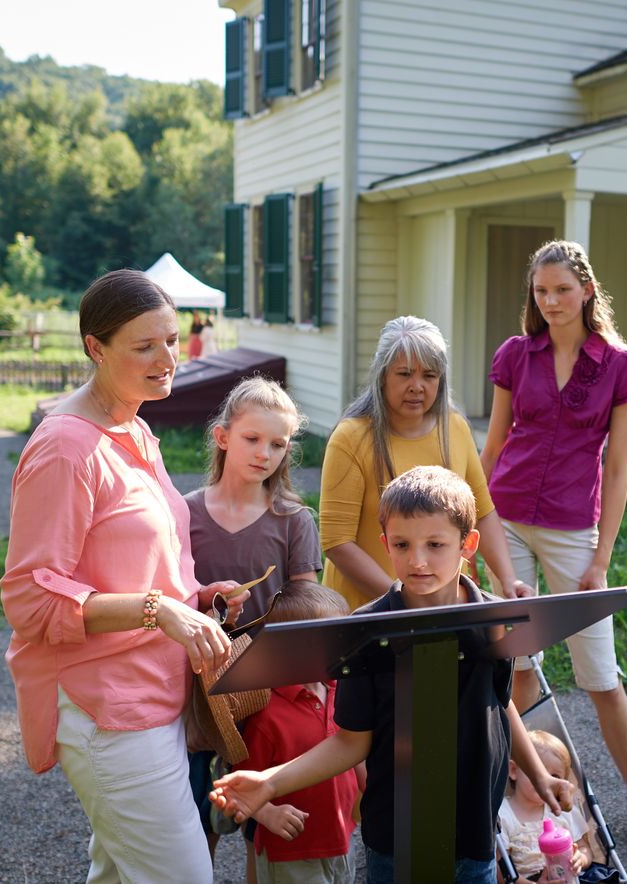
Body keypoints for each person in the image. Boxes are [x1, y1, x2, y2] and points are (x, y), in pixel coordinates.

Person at [0, 268, 248, 883]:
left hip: (155, 696)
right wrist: (157, 608)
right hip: (109, 712)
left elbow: (139, 555)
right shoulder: (65, 448)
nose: (167, 358)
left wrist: (197, 598)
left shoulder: (135, 428)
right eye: (144, 346)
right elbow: (31, 597)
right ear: (95, 348)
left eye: (170, 340)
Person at [211, 466, 573, 884]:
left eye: (435, 544)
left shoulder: (495, 619)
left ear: (467, 544)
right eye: (402, 544)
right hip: (397, 842)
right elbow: (350, 741)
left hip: (475, 834)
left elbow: (499, 701)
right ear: (385, 544)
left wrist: (538, 773)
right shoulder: (365, 633)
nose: (418, 560)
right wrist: (270, 782)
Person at [479, 240, 627, 869]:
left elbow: (619, 466)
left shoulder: (621, 366)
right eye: (541, 292)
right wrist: (468, 525)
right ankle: (503, 807)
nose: (550, 302)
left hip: (575, 529)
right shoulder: (516, 355)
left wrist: (601, 557)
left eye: (562, 291)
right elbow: (491, 446)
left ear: (587, 291)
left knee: (601, 678)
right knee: (516, 665)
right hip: (507, 518)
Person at [183, 376, 324, 866]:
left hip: (270, 694)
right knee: (199, 817)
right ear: (223, 437)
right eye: (252, 439)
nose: (265, 453)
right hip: (200, 692)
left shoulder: (293, 520)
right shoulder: (184, 514)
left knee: (260, 829)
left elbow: (306, 611)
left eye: (278, 444)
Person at [319, 316, 525, 611]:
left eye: (429, 375)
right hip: (367, 612)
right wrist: (402, 601)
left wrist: (508, 580)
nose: (417, 386)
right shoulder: (351, 437)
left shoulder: (455, 427)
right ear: (382, 375)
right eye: (404, 374)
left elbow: (483, 512)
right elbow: (337, 543)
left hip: (445, 607)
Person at [234, 581, 362, 884]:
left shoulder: (338, 691)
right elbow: (240, 786)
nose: (339, 648)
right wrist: (267, 814)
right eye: (328, 639)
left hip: (342, 840)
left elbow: (352, 749)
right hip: (293, 851)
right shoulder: (268, 715)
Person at [498, 730, 593, 881]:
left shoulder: (563, 811)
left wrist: (580, 858)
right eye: (539, 772)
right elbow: (501, 872)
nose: (546, 781)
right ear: (514, 771)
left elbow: (584, 848)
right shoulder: (503, 815)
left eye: (554, 777)